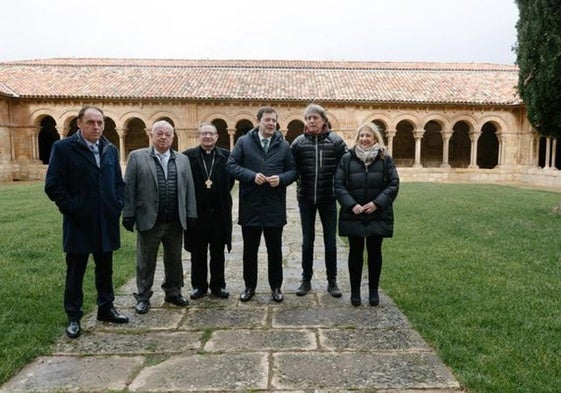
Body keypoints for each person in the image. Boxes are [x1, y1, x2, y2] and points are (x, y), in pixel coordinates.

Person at [45, 105, 129, 339]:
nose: (96, 127)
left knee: (105, 269)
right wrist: (73, 208)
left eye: (100, 123)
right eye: (91, 122)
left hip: (106, 220)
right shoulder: (63, 148)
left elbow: (118, 183)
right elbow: (53, 185)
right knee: (76, 271)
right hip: (79, 222)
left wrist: (116, 204)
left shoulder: (110, 149)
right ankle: (73, 316)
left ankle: (106, 308)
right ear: (79, 124)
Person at [122, 120, 197, 314]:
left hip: (174, 220)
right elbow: (128, 188)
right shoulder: (137, 157)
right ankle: (143, 296)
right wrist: (128, 214)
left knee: (174, 259)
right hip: (149, 219)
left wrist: (190, 214)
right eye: (159, 133)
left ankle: (173, 291)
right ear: (152, 136)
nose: (163, 137)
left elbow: (188, 190)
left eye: (167, 134)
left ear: (173, 137)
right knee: (145, 261)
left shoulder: (182, 159)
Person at [226, 106, 298, 303]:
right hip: (251, 205)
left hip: (274, 206)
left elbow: (293, 171)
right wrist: (251, 176)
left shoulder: (284, 146)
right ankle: (250, 287)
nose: (271, 123)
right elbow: (231, 166)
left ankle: (276, 287)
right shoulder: (243, 142)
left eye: (274, 120)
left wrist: (281, 179)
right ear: (258, 121)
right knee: (250, 250)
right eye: (267, 120)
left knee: (275, 251)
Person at [334, 122, 399, 306]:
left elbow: (393, 184)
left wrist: (376, 204)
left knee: (374, 252)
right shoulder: (347, 158)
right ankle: (355, 291)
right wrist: (351, 204)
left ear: (375, 138)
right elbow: (338, 185)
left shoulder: (385, 159)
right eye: (361, 136)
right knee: (355, 252)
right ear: (357, 138)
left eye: (368, 136)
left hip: (376, 213)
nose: (364, 139)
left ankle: (373, 291)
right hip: (354, 213)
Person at [290, 103, 347, 297]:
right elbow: (291, 169)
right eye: (308, 118)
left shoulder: (336, 142)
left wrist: (338, 190)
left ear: (323, 120)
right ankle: (306, 280)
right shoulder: (297, 143)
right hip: (305, 198)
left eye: (315, 117)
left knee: (330, 241)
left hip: (328, 198)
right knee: (308, 241)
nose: (311, 121)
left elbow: (344, 170)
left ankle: (332, 281)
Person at [183, 122, 234, 299]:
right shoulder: (188, 156)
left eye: (211, 134)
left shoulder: (226, 156)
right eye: (204, 133)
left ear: (217, 137)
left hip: (219, 213)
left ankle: (218, 285)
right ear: (199, 135)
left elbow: (231, 182)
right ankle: (199, 286)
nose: (207, 137)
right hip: (197, 213)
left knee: (218, 252)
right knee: (198, 252)